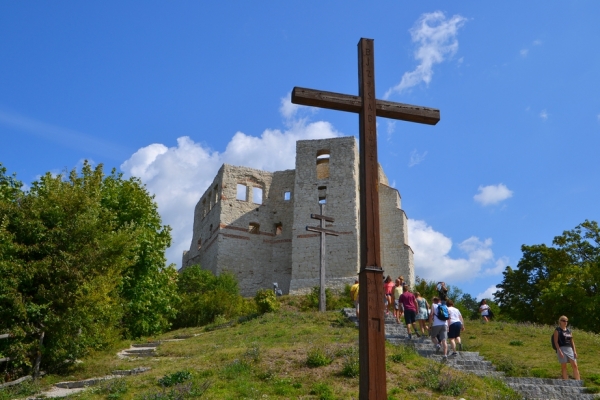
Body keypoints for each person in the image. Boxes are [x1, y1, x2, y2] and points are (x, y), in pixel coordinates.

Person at [554, 316, 580, 380]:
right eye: (563, 320)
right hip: (562, 348)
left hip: (569, 348)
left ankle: (578, 380)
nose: (565, 322)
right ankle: (566, 381)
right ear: (560, 321)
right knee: (564, 366)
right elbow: (556, 341)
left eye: (566, 321)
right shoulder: (557, 330)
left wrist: (574, 351)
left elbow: (572, 342)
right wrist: (559, 351)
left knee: (574, 365)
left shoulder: (569, 331)